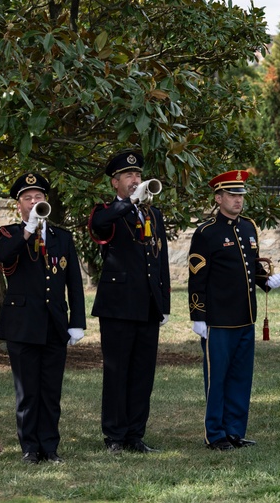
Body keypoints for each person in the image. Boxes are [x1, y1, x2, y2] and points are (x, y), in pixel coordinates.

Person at [187, 170, 280, 450]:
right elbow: (197, 277)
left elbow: (252, 267)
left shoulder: (248, 227)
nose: (238, 200)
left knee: (241, 378)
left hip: (245, 317)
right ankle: (215, 434)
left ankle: (234, 431)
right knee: (216, 380)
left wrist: (267, 281)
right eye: (232, 195)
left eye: (240, 195)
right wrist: (198, 316)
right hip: (218, 320)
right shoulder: (206, 233)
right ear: (218, 198)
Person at [0, 172, 86, 464]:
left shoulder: (62, 237)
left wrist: (77, 321)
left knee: (50, 390)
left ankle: (50, 446)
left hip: (54, 323)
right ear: (18, 205)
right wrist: (28, 230)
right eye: (28, 198)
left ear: (47, 200)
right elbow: (5, 259)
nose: (34, 202)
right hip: (22, 325)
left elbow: (74, 282)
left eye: (39, 197)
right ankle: (30, 448)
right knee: (27, 391)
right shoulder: (8, 233)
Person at [88, 150, 171, 453]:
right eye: (128, 176)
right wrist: (129, 203)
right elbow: (100, 225)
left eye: (138, 175)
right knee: (117, 372)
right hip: (118, 306)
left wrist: (164, 304)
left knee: (142, 374)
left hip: (148, 305)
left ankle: (136, 434)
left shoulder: (153, 215)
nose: (136, 179)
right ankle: (114, 436)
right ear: (115, 183)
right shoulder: (105, 211)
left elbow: (159, 261)